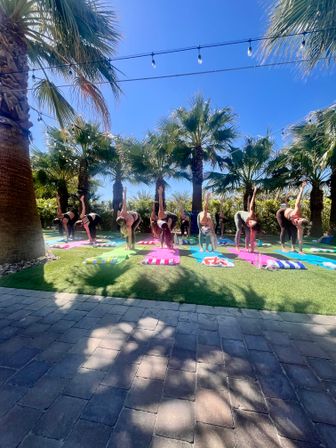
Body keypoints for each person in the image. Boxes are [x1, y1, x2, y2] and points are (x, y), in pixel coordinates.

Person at [276, 181, 309, 253]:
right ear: (300, 218)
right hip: (282, 214)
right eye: (297, 220)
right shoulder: (297, 211)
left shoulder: (300, 227)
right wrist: (301, 189)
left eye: (297, 223)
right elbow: (298, 201)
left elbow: (300, 239)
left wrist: (300, 250)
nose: (296, 221)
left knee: (294, 231)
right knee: (284, 229)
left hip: (289, 218)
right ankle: (283, 247)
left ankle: (293, 248)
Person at [234, 186, 260, 253]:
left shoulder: (255, 222)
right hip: (238, 216)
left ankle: (246, 247)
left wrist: (252, 249)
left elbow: (253, 237)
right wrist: (254, 192)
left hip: (246, 221)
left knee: (248, 233)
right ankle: (237, 246)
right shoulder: (251, 214)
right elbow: (251, 204)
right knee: (239, 230)